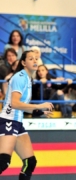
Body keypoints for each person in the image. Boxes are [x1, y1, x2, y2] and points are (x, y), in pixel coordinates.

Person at [0, 50, 53, 178]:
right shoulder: (20, 77)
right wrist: (38, 106)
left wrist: (40, 112)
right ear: (23, 62)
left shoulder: (28, 79)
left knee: (30, 162)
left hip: (17, 122)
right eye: (31, 58)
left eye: (36, 58)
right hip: (8, 121)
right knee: (3, 162)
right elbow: (14, 104)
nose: (35, 60)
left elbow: (22, 107)